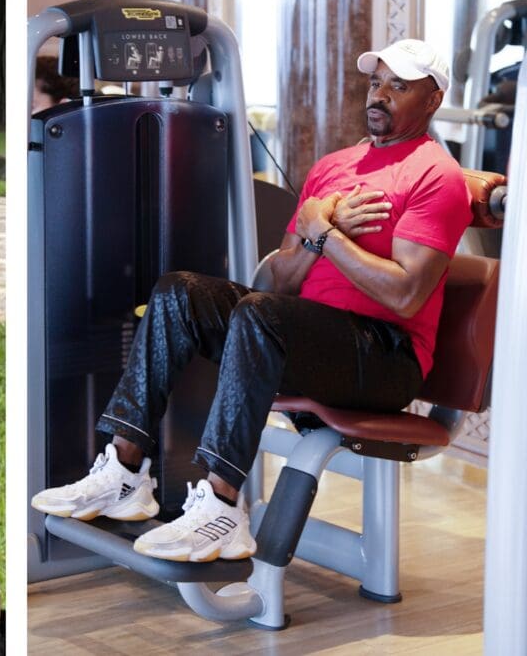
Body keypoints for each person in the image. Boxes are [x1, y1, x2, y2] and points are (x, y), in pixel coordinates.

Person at [32, 38, 471, 564]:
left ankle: (221, 506)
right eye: (376, 82)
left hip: (385, 358)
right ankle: (124, 471)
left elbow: (405, 295)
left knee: (262, 316)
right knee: (179, 293)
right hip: (308, 337)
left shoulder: (436, 176)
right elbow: (280, 284)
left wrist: (326, 232)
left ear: (433, 99)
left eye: (399, 86)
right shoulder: (333, 168)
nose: (379, 95)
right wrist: (313, 238)